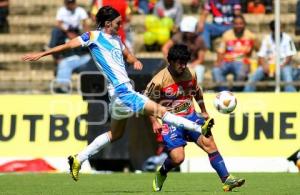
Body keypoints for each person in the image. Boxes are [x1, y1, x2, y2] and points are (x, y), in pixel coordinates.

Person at [22, 6, 214, 181]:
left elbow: (127, 54)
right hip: (122, 92)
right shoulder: (93, 37)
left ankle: (78, 159)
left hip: (119, 95)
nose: (122, 25)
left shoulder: (117, 39)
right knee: (161, 111)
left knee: (116, 134)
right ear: (107, 23)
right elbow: (68, 45)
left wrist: (135, 60)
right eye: (118, 23)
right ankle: (199, 129)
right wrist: (42, 54)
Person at [145, 44, 245, 192]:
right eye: (180, 62)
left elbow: (197, 92)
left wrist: (203, 111)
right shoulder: (159, 80)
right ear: (170, 61)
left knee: (209, 143)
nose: (183, 66)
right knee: (178, 158)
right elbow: (146, 103)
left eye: (185, 62)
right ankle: (162, 172)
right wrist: (154, 121)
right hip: (171, 121)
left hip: (191, 116)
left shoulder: (190, 74)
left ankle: (227, 180)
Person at [244, 20, 297, 92]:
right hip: (269, 66)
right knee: (255, 75)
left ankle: (291, 96)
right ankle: (247, 94)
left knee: (287, 76)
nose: (278, 30)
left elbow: (289, 56)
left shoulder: (287, 38)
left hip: (284, 65)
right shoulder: (266, 39)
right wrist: (265, 65)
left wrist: (281, 66)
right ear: (272, 29)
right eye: (275, 29)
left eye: (280, 28)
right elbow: (261, 56)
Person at [212, 15, 257, 91]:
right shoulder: (226, 35)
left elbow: (259, 49)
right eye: (236, 24)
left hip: (242, 62)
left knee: (241, 74)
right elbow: (221, 51)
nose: (239, 26)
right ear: (233, 25)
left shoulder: (251, 36)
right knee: (216, 71)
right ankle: (224, 92)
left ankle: (235, 92)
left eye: (241, 23)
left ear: (244, 24)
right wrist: (218, 62)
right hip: (227, 61)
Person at [162, 16, 206, 84]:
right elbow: (165, 48)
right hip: (177, 63)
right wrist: (171, 61)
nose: (187, 34)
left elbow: (201, 59)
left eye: (189, 32)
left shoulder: (199, 40)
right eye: (186, 32)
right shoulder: (178, 36)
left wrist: (191, 65)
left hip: (192, 64)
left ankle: (198, 89)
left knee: (199, 69)